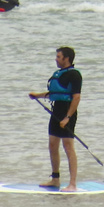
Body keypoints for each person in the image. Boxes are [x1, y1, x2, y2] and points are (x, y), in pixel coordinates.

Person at [28, 47, 82, 192]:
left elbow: (76, 97)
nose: (56, 59)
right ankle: (55, 180)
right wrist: (37, 95)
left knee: (68, 147)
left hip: (67, 111)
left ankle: (72, 184)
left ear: (67, 58)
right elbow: (54, 93)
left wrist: (67, 117)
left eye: (59, 57)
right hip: (56, 110)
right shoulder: (58, 73)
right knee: (52, 145)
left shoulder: (75, 75)